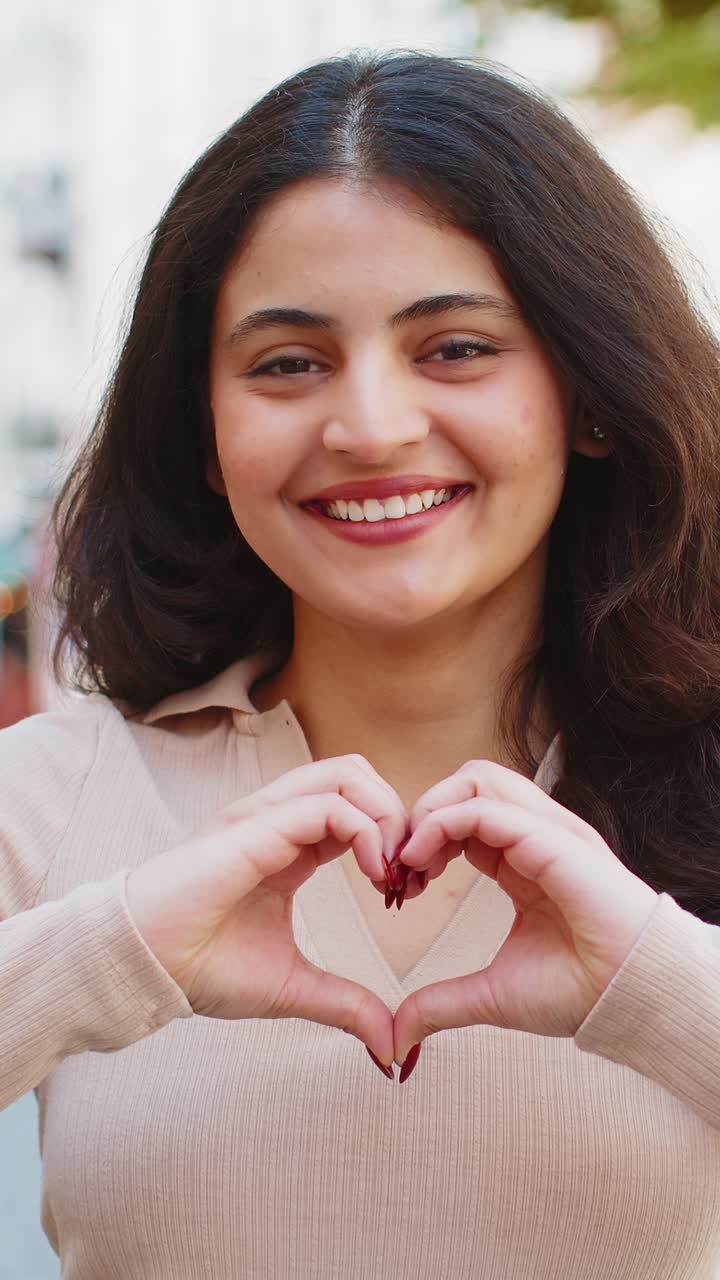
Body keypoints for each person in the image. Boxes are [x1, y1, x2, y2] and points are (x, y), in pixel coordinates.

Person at [2, 49, 720, 1280]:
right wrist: (107, 955)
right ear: (208, 436)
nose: (371, 426)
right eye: (288, 362)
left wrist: (658, 982)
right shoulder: (46, 793)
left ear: (590, 395)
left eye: (455, 347)